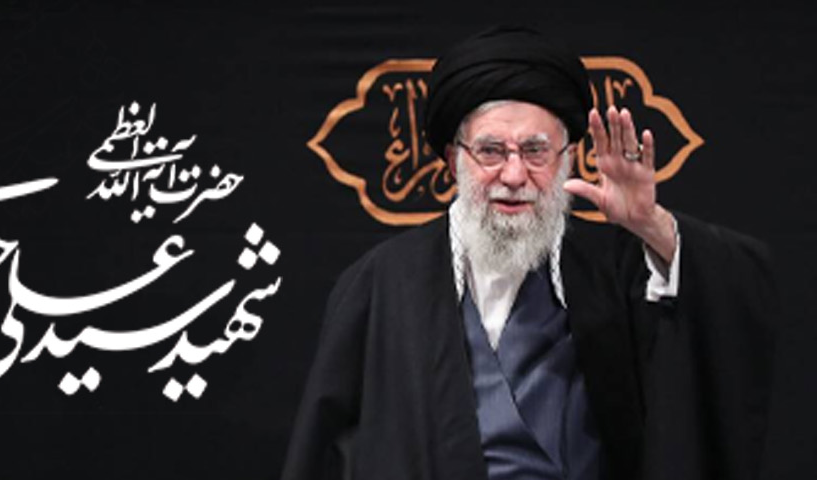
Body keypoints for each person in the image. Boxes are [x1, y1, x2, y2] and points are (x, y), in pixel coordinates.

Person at [281, 26, 774, 480]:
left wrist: (651, 225)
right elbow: (325, 450)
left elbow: (735, 309)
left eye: (535, 151)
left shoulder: (622, 265)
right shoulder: (382, 282)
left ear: (567, 158)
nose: (515, 176)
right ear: (453, 159)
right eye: (491, 151)